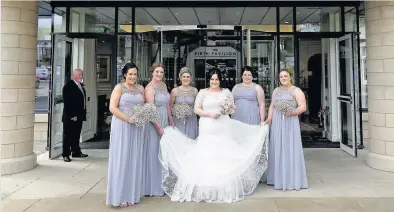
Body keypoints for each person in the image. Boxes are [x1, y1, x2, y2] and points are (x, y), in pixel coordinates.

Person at [158, 69, 270, 203]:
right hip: (207, 125)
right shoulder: (203, 92)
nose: (214, 82)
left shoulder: (226, 92)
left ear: (220, 80)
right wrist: (209, 114)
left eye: (216, 79)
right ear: (209, 80)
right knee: (207, 153)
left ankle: (223, 187)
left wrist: (226, 110)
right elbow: (196, 108)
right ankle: (206, 186)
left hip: (223, 125)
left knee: (224, 153)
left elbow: (232, 108)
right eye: (212, 79)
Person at [106, 63, 145, 207]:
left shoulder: (141, 88)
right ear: (125, 75)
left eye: (135, 74)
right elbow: (112, 108)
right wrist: (128, 119)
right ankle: (119, 196)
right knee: (121, 159)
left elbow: (144, 106)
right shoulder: (119, 88)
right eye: (130, 74)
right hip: (122, 125)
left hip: (137, 127)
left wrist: (142, 116)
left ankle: (131, 194)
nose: (133, 77)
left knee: (134, 159)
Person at [265, 69, 308, 191]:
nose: (283, 78)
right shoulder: (276, 91)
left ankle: (291, 179)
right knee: (277, 147)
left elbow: (303, 107)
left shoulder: (297, 91)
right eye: (281, 77)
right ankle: (277, 178)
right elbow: (272, 106)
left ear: (291, 77)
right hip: (278, 122)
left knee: (290, 147)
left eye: (285, 76)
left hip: (290, 121)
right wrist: (269, 119)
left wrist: (292, 113)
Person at [142, 62, 174, 197]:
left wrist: (171, 120)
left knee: (163, 153)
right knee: (154, 153)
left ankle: (161, 184)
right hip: (154, 123)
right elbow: (150, 110)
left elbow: (167, 105)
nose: (159, 74)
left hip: (164, 120)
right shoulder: (149, 88)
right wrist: (158, 127)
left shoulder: (163, 85)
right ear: (152, 72)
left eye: (161, 72)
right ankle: (152, 187)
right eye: (157, 72)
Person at [61, 68, 88, 162]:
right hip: (71, 116)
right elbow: (67, 103)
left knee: (76, 135)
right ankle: (65, 154)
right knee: (68, 136)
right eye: (80, 75)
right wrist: (72, 115)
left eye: (82, 74)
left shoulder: (80, 85)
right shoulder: (68, 86)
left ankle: (76, 151)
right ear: (74, 75)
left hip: (79, 116)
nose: (81, 76)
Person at [169, 67, 198, 139]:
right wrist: (171, 122)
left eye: (188, 77)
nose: (186, 78)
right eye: (184, 77)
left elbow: (197, 107)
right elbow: (170, 107)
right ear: (180, 78)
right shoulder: (175, 91)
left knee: (191, 141)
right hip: (178, 121)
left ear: (191, 78)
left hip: (191, 120)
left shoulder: (195, 91)